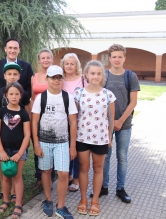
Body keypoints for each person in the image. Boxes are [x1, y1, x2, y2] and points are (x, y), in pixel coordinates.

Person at [31, 65, 77, 219]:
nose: (56, 80)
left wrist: (73, 146)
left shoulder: (67, 97)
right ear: (47, 79)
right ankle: (48, 199)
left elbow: (73, 122)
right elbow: (34, 122)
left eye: (59, 77)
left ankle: (61, 206)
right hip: (44, 142)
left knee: (63, 173)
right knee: (46, 171)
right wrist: (36, 144)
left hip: (62, 142)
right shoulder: (40, 98)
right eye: (53, 77)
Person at [96, 44, 140, 203]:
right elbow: (100, 99)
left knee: (122, 157)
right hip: (105, 124)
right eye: (114, 56)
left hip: (124, 124)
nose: (116, 59)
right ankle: (103, 186)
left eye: (120, 56)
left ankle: (120, 188)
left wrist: (120, 121)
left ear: (124, 58)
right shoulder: (104, 76)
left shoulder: (130, 76)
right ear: (109, 58)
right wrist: (109, 121)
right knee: (105, 156)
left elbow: (133, 102)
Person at [74, 60, 115, 216]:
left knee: (98, 169)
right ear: (86, 75)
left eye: (99, 73)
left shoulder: (108, 95)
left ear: (102, 76)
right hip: (82, 138)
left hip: (100, 138)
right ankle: (83, 199)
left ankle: (95, 201)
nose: (95, 76)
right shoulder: (79, 93)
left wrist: (109, 138)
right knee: (84, 169)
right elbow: (74, 117)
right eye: (92, 73)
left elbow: (110, 119)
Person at [0, 62, 31, 200]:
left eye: (15, 74)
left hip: (18, 135)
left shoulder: (23, 94)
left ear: (19, 76)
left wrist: (28, 137)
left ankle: (14, 191)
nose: (12, 77)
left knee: (15, 169)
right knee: (4, 165)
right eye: (9, 74)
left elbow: (28, 113)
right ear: (4, 75)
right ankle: (4, 191)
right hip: (2, 137)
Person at [0, 82, 31, 219]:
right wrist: (1, 151)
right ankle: (6, 200)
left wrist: (20, 153)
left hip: (18, 150)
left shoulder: (23, 113)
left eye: (17, 94)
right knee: (5, 176)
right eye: (11, 94)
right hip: (4, 150)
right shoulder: (1, 111)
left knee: (17, 177)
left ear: (21, 95)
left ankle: (18, 204)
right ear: (6, 95)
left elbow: (27, 135)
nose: (14, 96)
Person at [60, 53, 87, 192]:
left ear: (77, 65)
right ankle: (68, 174)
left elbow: (89, 97)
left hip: (79, 120)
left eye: (72, 63)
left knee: (75, 148)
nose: (69, 66)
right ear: (63, 65)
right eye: (67, 63)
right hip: (63, 121)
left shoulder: (83, 80)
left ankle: (76, 178)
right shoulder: (60, 79)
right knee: (65, 148)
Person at [30, 48, 53, 190]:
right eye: (43, 58)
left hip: (51, 116)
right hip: (37, 116)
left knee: (50, 146)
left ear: (51, 59)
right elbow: (33, 97)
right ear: (39, 60)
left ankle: (50, 176)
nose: (45, 60)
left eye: (48, 57)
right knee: (37, 145)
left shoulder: (56, 75)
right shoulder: (35, 77)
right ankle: (39, 177)